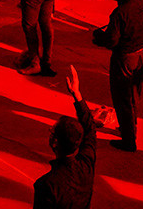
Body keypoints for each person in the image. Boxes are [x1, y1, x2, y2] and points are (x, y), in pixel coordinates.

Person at [94, 0, 143, 152]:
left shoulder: (120, 13)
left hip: (126, 57)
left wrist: (99, 37)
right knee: (134, 95)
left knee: (122, 97)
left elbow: (111, 40)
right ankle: (130, 127)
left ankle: (128, 139)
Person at [33, 66, 96, 209]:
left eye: (52, 131)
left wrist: (76, 95)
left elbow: (90, 130)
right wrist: (77, 95)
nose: (50, 131)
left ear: (55, 142)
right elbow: (90, 129)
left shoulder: (46, 185)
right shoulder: (86, 167)